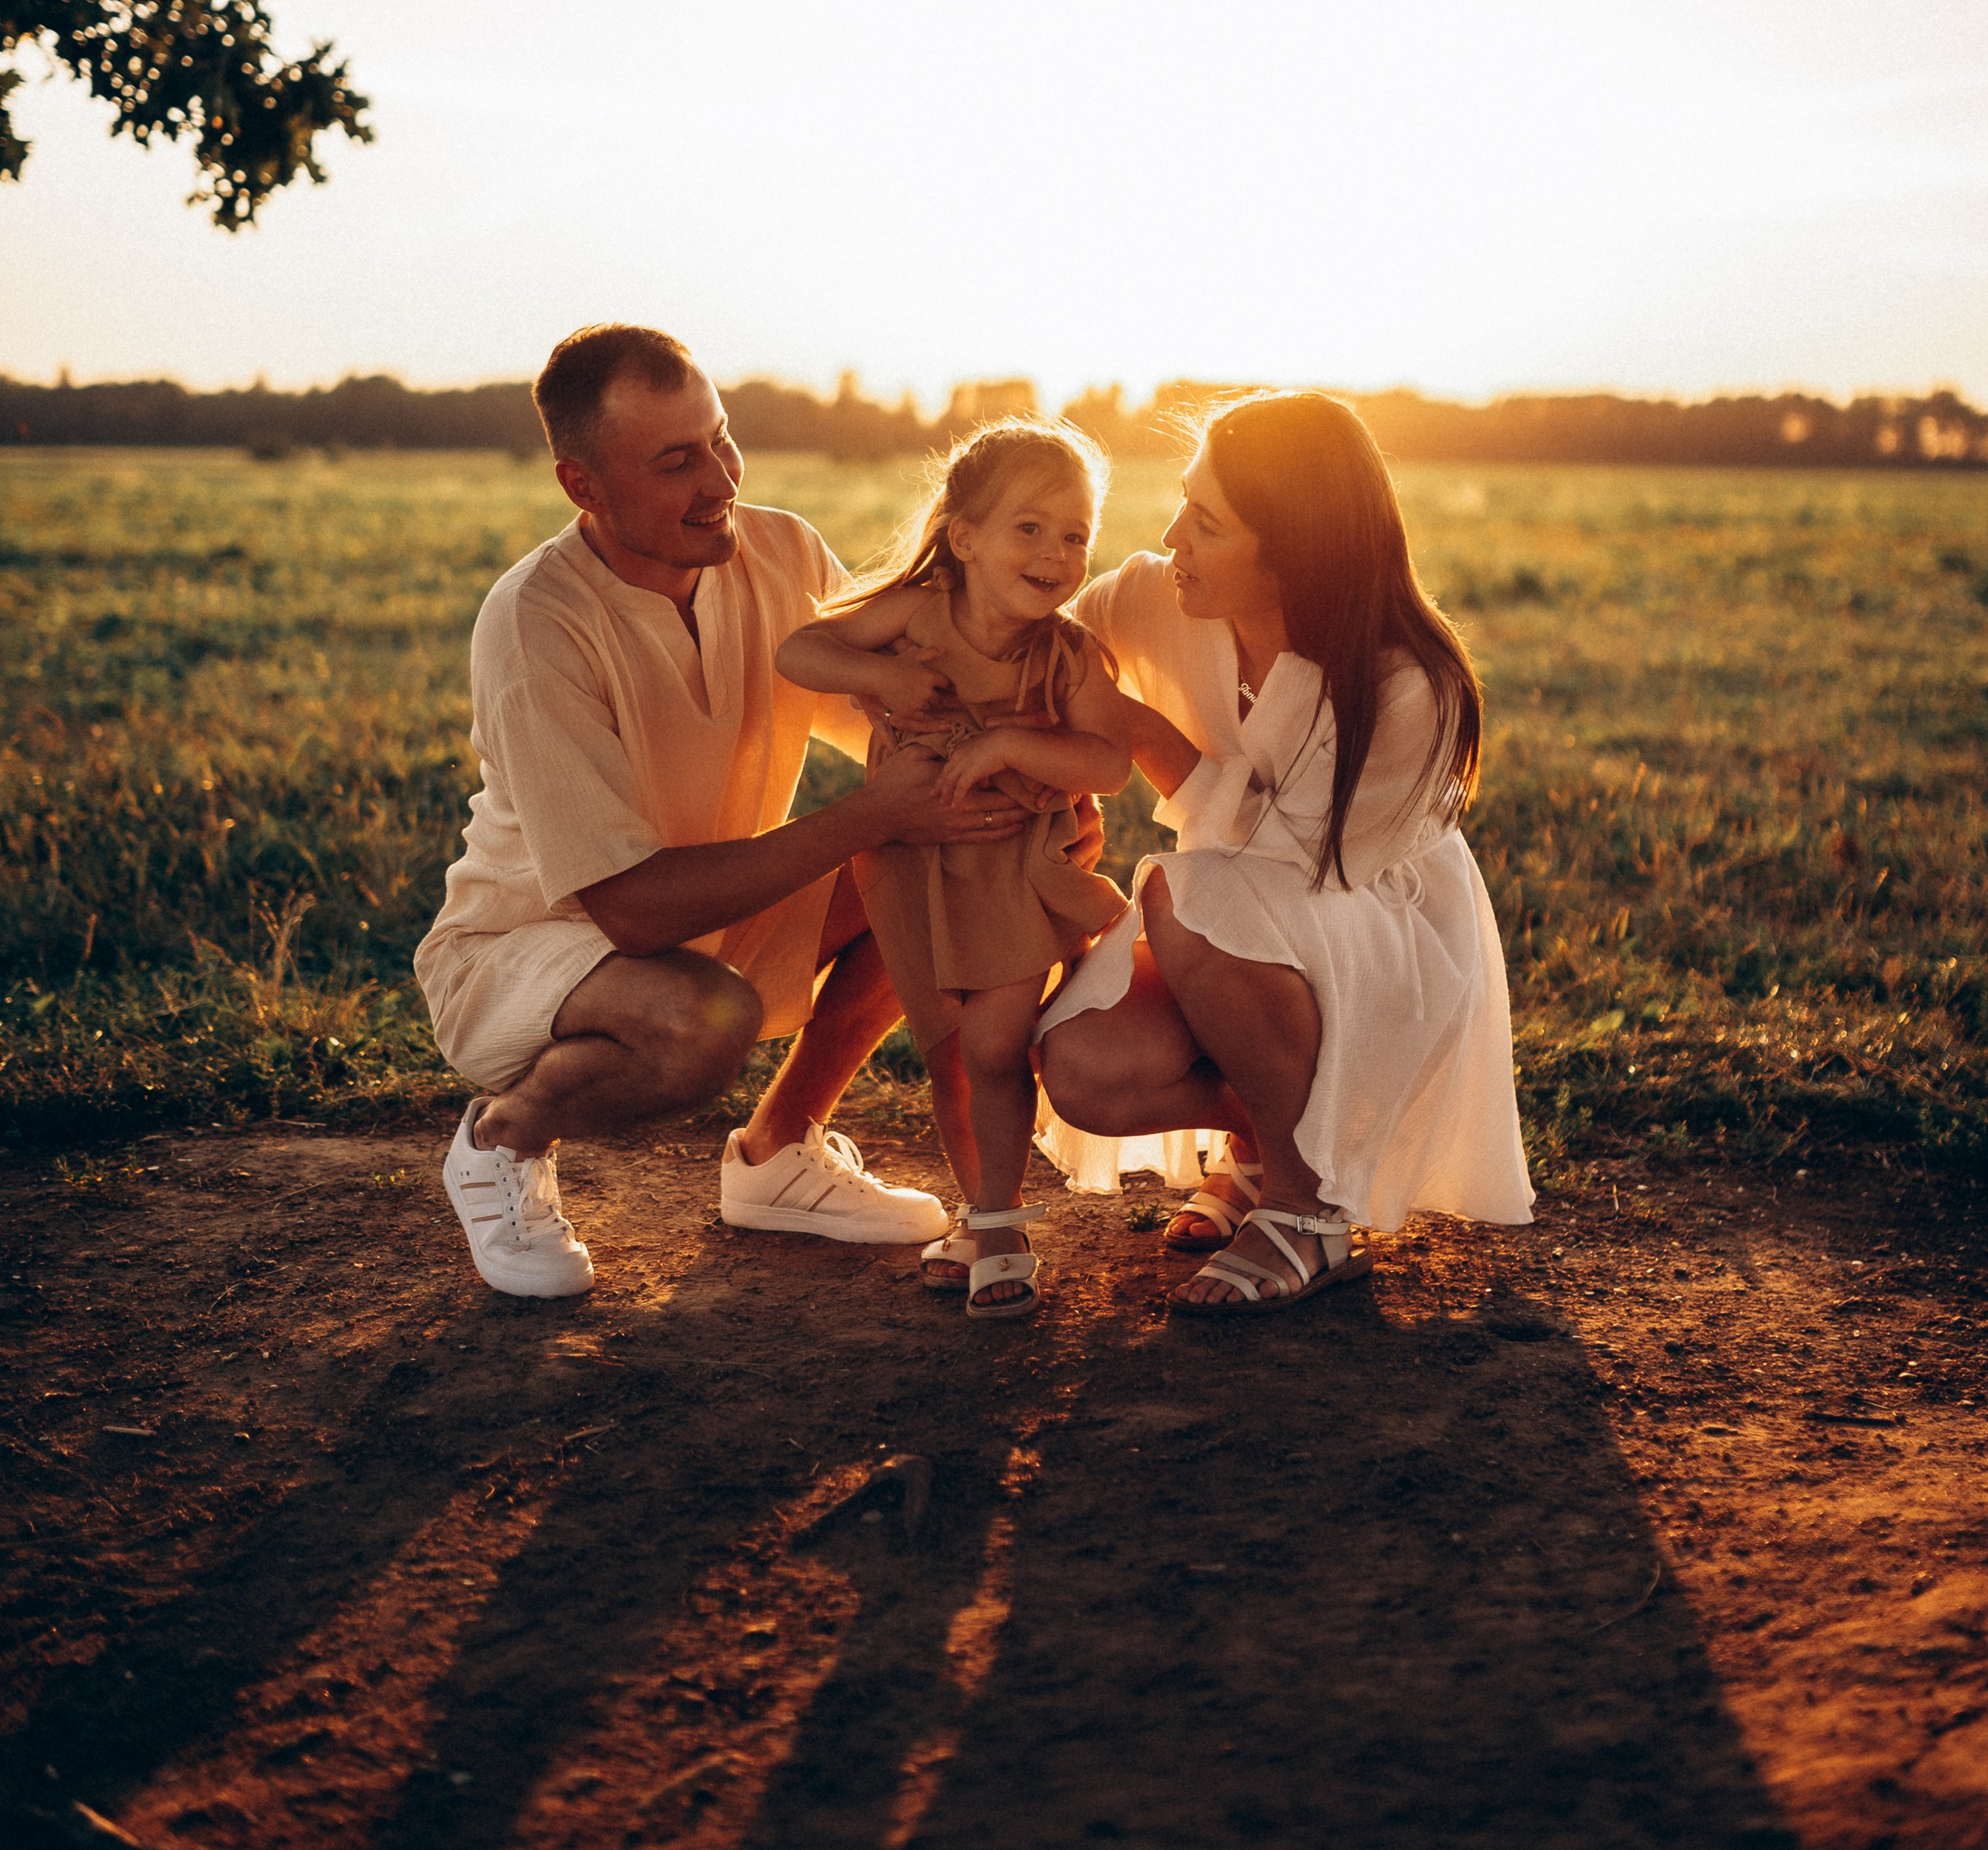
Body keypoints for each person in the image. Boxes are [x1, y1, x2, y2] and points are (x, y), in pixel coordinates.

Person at [416, 325, 1037, 1299]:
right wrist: (874, 813)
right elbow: (632, 911)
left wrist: (1028, 781)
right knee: (703, 1021)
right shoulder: (536, 620)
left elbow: (915, 716)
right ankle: (503, 1135)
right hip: (530, 949)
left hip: (713, 914)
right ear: (583, 484)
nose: (721, 480)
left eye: (720, 438)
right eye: (676, 462)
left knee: (935, 861)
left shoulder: (781, 550)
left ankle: (777, 1153)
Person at [1037, 391, 1533, 1314]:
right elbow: (1036, 649)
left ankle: (1307, 1212)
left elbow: (1295, 863)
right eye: (1184, 502)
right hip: (1223, 925)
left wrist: (1140, 731)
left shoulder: (1410, 685)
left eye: (1208, 523)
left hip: (1375, 929)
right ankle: (1268, 1145)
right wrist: (1061, 785)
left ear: (1294, 551)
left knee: (1190, 894)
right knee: (1083, 1066)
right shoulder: (1156, 595)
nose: (1172, 536)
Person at [777, 421, 1136, 1319]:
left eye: (1075, 535)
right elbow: (798, 651)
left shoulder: (1066, 655)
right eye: (1030, 527)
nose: (1055, 553)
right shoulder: (916, 613)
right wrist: (881, 677)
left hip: (1014, 873)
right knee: (948, 1053)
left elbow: (1108, 762)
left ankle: (1004, 1226)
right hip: (912, 872)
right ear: (965, 535)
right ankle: (982, 1216)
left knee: (993, 1045)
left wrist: (1015, 743)